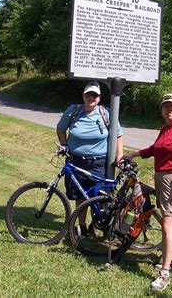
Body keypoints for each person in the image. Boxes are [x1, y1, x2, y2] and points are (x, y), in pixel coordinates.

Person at [123, 93, 172, 292]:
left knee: (168, 223)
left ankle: (164, 274)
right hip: (164, 181)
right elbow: (154, 149)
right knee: (171, 222)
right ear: (162, 110)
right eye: (166, 106)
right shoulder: (166, 129)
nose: (169, 109)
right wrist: (133, 154)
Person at [56, 81, 124, 235]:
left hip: (98, 163)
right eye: (89, 94)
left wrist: (119, 155)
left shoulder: (106, 113)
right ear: (83, 95)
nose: (91, 97)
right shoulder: (73, 110)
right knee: (80, 194)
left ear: (99, 98)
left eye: (95, 95)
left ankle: (95, 226)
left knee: (97, 196)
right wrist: (64, 144)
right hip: (76, 160)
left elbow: (118, 135)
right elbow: (60, 128)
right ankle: (81, 225)